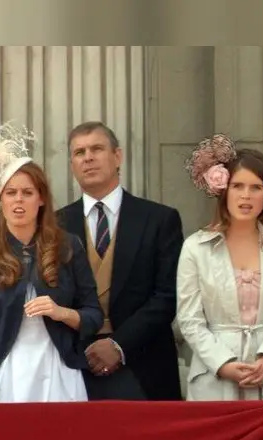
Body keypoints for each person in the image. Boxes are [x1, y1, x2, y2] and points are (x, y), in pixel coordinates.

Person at [58, 122, 184, 401]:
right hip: (74, 368)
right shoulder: (54, 225)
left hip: (144, 365)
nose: (88, 157)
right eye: (79, 152)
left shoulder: (159, 220)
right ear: (72, 165)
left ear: (118, 156)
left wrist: (118, 344)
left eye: (96, 149)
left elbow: (168, 296)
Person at [176, 135, 263, 401]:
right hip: (214, 378)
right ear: (224, 190)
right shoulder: (195, 247)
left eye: (256, 187)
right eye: (237, 186)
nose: (246, 195)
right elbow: (189, 319)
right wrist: (223, 363)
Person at [0, 125, 104, 402]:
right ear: (0, 199)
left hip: (58, 369)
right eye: (11, 193)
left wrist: (60, 312)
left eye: (28, 193)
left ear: (41, 199)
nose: (19, 200)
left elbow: (93, 315)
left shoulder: (68, 247)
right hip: (2, 370)